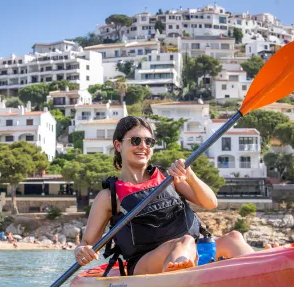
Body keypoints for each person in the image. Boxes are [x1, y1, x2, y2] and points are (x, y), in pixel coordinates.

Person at [74, 116, 255, 276]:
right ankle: (180, 276)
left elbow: (210, 203)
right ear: (118, 145)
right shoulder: (109, 196)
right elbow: (88, 242)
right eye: (136, 140)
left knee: (234, 238)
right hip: (146, 263)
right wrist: (82, 250)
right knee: (183, 242)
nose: (143, 146)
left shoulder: (168, 179)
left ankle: (262, 267)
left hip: (194, 249)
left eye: (148, 141)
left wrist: (190, 176)